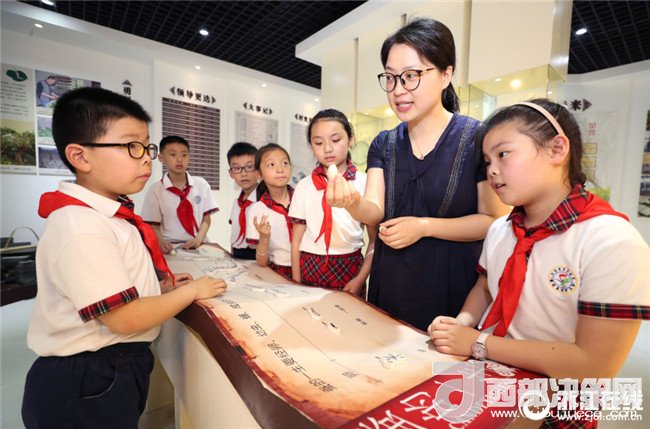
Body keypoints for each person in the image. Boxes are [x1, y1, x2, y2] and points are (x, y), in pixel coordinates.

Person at [429, 99, 650, 426]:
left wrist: (478, 342)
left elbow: (594, 364)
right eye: (487, 161)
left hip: (558, 403)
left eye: (503, 154)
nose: (492, 170)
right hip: (492, 381)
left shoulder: (611, 241)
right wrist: (462, 322)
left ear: (557, 149)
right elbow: (485, 288)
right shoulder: (500, 229)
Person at [22, 87, 227, 428]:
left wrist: (158, 291)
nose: (146, 158)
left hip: (109, 368)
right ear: (80, 156)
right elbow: (124, 319)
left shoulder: (109, 214)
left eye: (147, 147)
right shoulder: (82, 227)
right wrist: (192, 291)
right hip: (88, 379)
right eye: (132, 146)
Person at [326, 18, 508, 330]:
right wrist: (352, 202)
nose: (398, 91)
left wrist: (424, 227)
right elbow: (375, 210)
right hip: (391, 281)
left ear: (446, 74)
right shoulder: (384, 143)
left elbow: (492, 220)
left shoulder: (476, 138)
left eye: (411, 76)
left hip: (450, 286)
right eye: (390, 78)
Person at [289, 109, 376, 295]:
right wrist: (296, 282)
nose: (327, 149)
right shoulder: (304, 186)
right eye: (318, 143)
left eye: (335, 140)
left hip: (350, 268)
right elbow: (296, 240)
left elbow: (374, 241)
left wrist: (360, 279)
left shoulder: (365, 182)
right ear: (311, 146)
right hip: (310, 266)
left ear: (351, 139)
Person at [141, 135, 219, 253]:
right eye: (173, 155)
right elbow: (153, 225)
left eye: (184, 155)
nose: (179, 159)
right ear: (161, 158)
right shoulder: (155, 190)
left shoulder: (201, 184)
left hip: (198, 244)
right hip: (170, 246)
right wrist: (161, 242)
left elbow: (206, 219)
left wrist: (198, 239)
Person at [246, 143, 294, 277]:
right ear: (258, 174)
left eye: (285, 163)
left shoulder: (303, 199)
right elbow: (262, 262)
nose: (280, 169)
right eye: (271, 164)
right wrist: (264, 238)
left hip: (310, 267)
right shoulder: (257, 211)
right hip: (279, 272)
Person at [227, 142, 259, 260]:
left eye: (249, 167)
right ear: (231, 173)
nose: (244, 173)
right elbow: (234, 234)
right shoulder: (237, 203)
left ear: (258, 169)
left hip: (257, 257)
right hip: (237, 256)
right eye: (237, 168)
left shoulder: (264, 201)